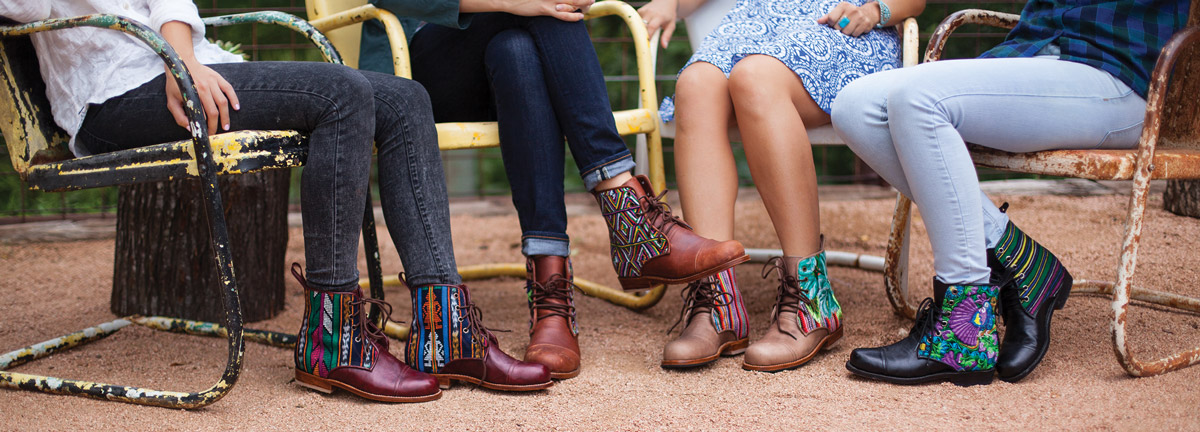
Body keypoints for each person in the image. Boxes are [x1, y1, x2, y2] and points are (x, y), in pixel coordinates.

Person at [1, 0, 559, 403]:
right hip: (111, 96)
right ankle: (332, 343)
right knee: (342, 95)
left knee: (405, 98)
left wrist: (183, 61)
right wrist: (179, 66)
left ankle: (446, 333)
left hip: (191, 69)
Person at [360, 0, 750, 379]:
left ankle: (551, 294)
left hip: (505, 66)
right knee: (546, 8)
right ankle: (629, 217)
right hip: (415, 69)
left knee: (516, 48)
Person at [832, 0, 1190, 386]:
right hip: (1033, 54)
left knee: (918, 99)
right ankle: (1023, 261)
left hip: (1118, 74)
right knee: (855, 106)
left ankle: (963, 333)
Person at [636, 0, 923, 371]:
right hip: (758, 23)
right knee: (696, 85)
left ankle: (812, 302)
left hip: (844, 26)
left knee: (755, 78)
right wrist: (672, 3)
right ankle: (717, 300)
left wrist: (875, 10)